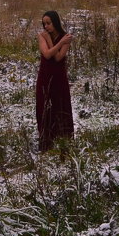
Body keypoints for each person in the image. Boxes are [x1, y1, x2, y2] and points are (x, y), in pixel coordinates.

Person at [36, 10, 74, 153]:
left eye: (49, 23)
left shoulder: (66, 37)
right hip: (45, 77)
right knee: (44, 106)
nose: (46, 27)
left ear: (55, 22)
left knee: (60, 105)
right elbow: (47, 54)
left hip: (59, 78)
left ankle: (63, 142)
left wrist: (59, 41)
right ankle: (46, 142)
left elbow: (58, 57)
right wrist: (58, 43)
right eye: (44, 24)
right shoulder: (42, 36)